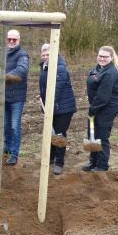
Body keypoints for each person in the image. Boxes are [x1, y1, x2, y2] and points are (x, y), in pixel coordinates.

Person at [82, 45, 118, 172]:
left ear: (111, 57)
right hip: (97, 107)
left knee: (102, 137)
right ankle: (93, 162)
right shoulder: (99, 69)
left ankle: (102, 166)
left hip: (106, 109)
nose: (102, 58)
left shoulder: (110, 73)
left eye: (105, 56)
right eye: (100, 56)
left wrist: (92, 110)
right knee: (93, 135)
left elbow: (103, 97)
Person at [39, 43, 77, 175]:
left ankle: (59, 162)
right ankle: (51, 157)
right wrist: (44, 105)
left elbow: (56, 90)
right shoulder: (44, 67)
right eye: (43, 55)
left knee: (59, 134)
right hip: (52, 107)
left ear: (55, 54)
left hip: (63, 108)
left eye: (48, 54)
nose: (45, 57)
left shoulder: (59, 68)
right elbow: (44, 89)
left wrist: (49, 106)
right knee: (51, 132)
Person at [4, 29, 29, 166]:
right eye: (9, 39)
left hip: (17, 98)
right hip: (4, 96)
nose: (12, 41)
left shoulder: (22, 54)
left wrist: (6, 77)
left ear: (19, 40)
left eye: (15, 39)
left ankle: (14, 153)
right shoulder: (2, 54)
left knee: (14, 126)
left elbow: (22, 69)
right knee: (6, 125)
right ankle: (6, 147)